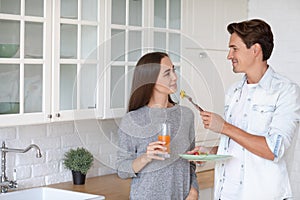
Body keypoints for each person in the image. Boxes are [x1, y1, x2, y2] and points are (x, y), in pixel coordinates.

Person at [193, 19, 300, 200]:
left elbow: (273, 150)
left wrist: (224, 127)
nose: (229, 55)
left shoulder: (286, 92)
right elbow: (238, 146)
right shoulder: (233, 92)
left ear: (255, 50)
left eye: (234, 48)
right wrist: (210, 152)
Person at [116, 52, 199, 200]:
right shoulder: (132, 120)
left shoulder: (186, 115)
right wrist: (146, 157)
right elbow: (122, 169)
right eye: (167, 73)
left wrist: (193, 191)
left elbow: (191, 162)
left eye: (173, 70)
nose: (175, 77)